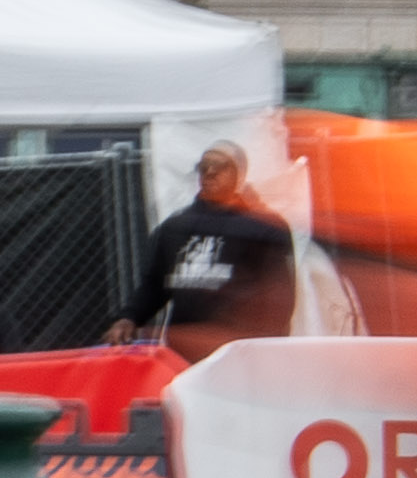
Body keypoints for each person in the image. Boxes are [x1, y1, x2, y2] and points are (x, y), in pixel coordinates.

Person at [124, 140, 299, 361]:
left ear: (239, 175)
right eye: (204, 166)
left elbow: (279, 300)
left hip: (239, 352)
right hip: (185, 350)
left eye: (221, 166)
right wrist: (129, 317)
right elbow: (155, 285)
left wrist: (264, 349)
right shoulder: (176, 227)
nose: (210, 172)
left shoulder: (264, 228)